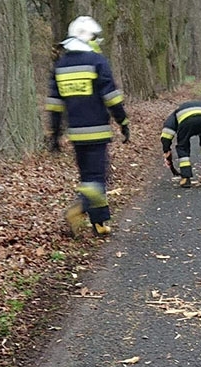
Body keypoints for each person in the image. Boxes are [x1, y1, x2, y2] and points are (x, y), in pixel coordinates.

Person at [45, 16, 130, 237]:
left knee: (88, 178)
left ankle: (99, 223)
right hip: (98, 131)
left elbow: (54, 104)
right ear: (89, 37)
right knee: (97, 180)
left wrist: (54, 135)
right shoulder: (96, 61)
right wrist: (123, 122)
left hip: (76, 133)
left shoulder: (60, 65)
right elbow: (111, 96)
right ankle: (79, 208)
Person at [160, 101, 201, 188]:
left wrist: (166, 149)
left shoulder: (176, 113)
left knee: (183, 147)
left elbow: (167, 132)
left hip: (186, 120)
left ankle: (186, 178)